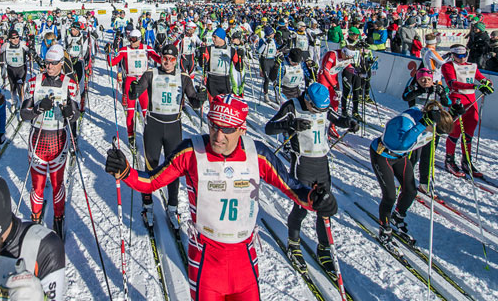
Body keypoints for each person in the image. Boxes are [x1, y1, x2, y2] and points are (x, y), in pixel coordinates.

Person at [104, 95, 337, 301]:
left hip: (244, 263)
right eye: (214, 126)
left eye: (227, 129)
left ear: (242, 129)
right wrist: (125, 171)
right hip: (206, 264)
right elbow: (152, 181)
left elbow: (293, 188)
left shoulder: (258, 154)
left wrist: (317, 200)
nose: (218, 136)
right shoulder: (191, 151)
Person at [265, 83, 356, 275]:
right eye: (315, 109)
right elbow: (269, 128)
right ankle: (293, 243)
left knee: (325, 208)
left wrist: (349, 123)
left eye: (321, 110)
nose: (318, 113)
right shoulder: (292, 106)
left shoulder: (322, 106)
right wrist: (290, 124)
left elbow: (337, 118)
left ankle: (323, 248)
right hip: (302, 164)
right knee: (302, 208)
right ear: (307, 99)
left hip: (322, 164)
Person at [128, 44, 206, 227]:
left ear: (177, 59)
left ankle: (173, 207)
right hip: (153, 126)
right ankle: (147, 205)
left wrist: (200, 98)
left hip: (173, 128)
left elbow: (193, 100)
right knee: (151, 166)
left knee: (174, 170)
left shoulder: (184, 78)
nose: (168, 62)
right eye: (164, 58)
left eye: (171, 59)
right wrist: (134, 90)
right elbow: (137, 91)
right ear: (160, 58)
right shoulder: (150, 74)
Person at [370, 103, 453, 245]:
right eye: (436, 132)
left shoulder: (428, 123)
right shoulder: (406, 121)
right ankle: (384, 228)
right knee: (389, 195)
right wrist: (421, 125)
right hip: (383, 155)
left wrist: (455, 112)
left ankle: (398, 216)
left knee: (410, 191)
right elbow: (401, 144)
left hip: (400, 157)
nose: (434, 136)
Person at [19, 44, 80, 238]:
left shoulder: (70, 83)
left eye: (54, 63)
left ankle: (58, 218)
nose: (50, 67)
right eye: (47, 63)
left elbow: (75, 115)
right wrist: (37, 108)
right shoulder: (34, 81)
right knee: (37, 184)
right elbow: (23, 114)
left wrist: (69, 113)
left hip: (58, 139)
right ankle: (35, 218)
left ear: (62, 64)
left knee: (57, 183)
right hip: (37, 139)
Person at [441, 44, 493, 178]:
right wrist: (475, 86)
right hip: (458, 102)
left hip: (472, 102)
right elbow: (453, 83)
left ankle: (466, 161)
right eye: (459, 56)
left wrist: (487, 83)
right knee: (455, 132)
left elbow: (481, 77)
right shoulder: (448, 66)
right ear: (452, 55)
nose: (462, 58)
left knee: (469, 133)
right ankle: (449, 160)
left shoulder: (471, 66)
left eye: (464, 55)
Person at [401, 67, 455, 195]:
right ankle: (405, 180)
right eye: (422, 79)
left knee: (428, 155)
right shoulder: (414, 87)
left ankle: (424, 183)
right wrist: (419, 91)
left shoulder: (436, 89)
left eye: (428, 79)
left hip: (431, 127)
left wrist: (442, 93)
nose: (425, 82)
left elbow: (448, 102)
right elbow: (406, 97)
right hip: (416, 125)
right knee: (413, 156)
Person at [108, 29, 160, 146]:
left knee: (146, 111)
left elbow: (159, 59)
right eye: (130, 39)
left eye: (134, 39)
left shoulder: (146, 48)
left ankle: (150, 134)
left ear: (139, 39)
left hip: (144, 81)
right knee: (130, 112)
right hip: (130, 81)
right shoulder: (125, 50)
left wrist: (165, 54)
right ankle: (131, 135)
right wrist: (109, 53)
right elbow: (112, 62)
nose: (131, 42)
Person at [0, 29, 30, 105]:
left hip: (21, 68)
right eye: (13, 38)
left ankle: (21, 104)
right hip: (11, 68)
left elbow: (30, 51)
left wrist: (30, 47)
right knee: (13, 86)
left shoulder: (22, 44)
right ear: (9, 39)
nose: (16, 39)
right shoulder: (6, 45)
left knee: (20, 87)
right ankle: (14, 102)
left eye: (17, 37)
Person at [257, 26, 281, 102]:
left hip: (272, 60)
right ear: (269, 34)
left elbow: (276, 50)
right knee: (267, 79)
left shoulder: (274, 40)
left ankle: (277, 95)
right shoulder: (262, 40)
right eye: (272, 33)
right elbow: (259, 51)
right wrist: (265, 43)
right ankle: (266, 95)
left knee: (274, 79)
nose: (274, 34)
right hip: (265, 61)